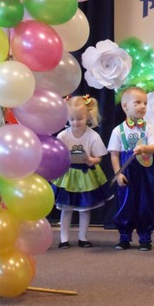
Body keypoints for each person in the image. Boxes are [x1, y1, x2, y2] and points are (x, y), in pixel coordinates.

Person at [107, 86, 154, 251]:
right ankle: (124, 236)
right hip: (127, 171)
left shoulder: (148, 128)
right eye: (137, 102)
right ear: (125, 106)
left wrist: (145, 148)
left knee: (145, 203)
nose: (142, 106)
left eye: (145, 103)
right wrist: (118, 174)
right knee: (126, 203)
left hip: (144, 171)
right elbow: (114, 154)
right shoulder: (118, 130)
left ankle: (145, 237)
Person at [53, 95, 111, 249]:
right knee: (66, 208)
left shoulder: (93, 136)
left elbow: (99, 157)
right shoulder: (63, 135)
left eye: (79, 118)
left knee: (85, 209)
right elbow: (57, 154)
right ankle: (64, 239)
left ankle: (83, 237)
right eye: (71, 119)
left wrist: (92, 160)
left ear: (88, 116)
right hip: (68, 175)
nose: (75, 122)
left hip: (86, 175)